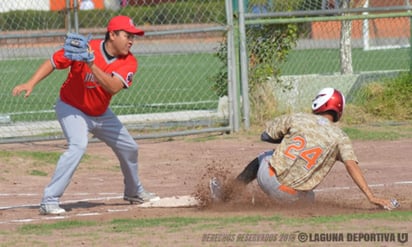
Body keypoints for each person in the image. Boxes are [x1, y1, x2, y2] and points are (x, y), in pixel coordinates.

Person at [12, 15, 159, 215]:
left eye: (134, 36)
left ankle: (134, 191)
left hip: (100, 113)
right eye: (128, 35)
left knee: (130, 147)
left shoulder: (129, 62)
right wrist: (30, 83)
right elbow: (53, 62)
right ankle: (49, 200)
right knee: (78, 145)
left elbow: (113, 87)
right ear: (113, 35)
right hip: (71, 107)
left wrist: (91, 64)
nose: (132, 40)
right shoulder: (85, 47)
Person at [210, 88, 400, 210]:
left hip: (266, 177)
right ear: (338, 110)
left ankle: (225, 194)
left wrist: (291, 138)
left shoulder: (298, 118)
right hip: (291, 198)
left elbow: (265, 136)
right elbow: (352, 166)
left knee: (264, 156)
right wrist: (371, 196)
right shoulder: (340, 137)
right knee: (309, 197)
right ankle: (273, 205)